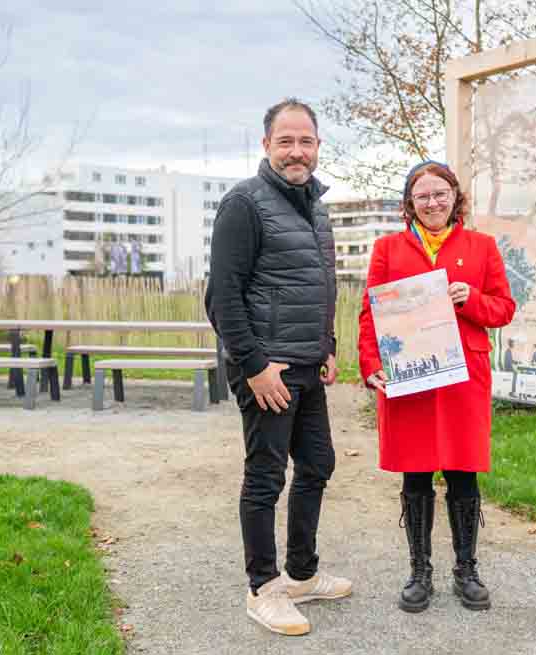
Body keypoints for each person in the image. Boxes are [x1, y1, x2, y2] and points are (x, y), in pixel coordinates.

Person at [205, 98, 352, 637]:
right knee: (265, 477)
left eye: (305, 141)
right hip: (267, 370)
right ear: (266, 145)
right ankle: (262, 589)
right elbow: (223, 296)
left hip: (309, 364)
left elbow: (320, 286)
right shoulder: (244, 203)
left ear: (317, 147)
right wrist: (254, 365)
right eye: (285, 141)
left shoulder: (316, 206)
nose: (296, 151)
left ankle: (302, 574)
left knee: (318, 465)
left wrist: (329, 342)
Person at [358, 161, 516, 613]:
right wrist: (371, 363)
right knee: (417, 469)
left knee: (463, 470)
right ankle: (419, 570)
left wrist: (473, 300)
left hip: (463, 376)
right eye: (422, 195)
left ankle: (466, 569)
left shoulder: (481, 247)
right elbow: (371, 311)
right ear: (410, 203)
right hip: (410, 374)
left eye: (440, 193)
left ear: (454, 196)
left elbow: (504, 308)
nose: (432, 202)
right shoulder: (388, 249)